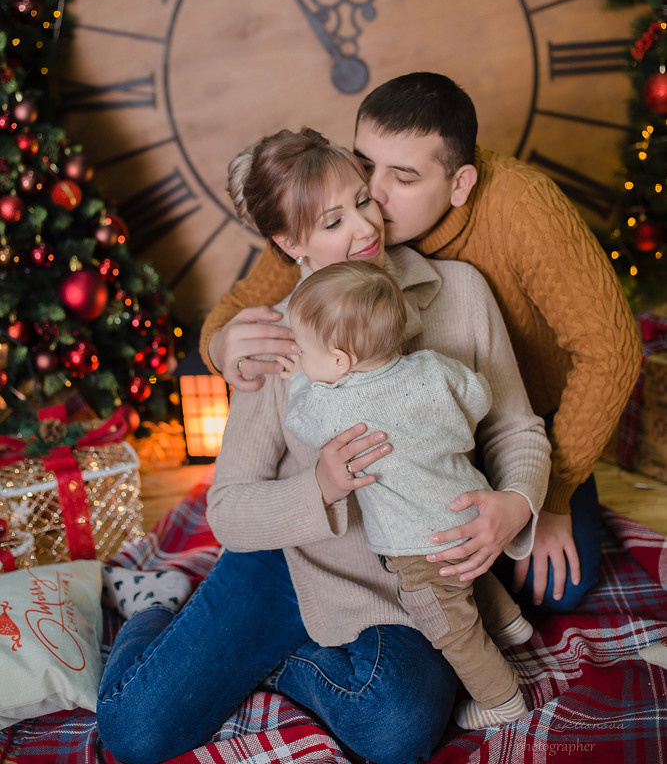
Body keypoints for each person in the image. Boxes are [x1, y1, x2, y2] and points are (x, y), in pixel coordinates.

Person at [98, 129, 551, 764]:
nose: (366, 228)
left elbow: (514, 427)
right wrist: (320, 490)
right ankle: (158, 609)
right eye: (334, 220)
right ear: (290, 243)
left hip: (406, 577)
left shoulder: (460, 293)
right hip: (284, 564)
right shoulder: (277, 339)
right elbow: (227, 508)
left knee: (397, 732)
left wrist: (515, 504)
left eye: (365, 201)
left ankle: (275, 663)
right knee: (133, 733)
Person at [201, 73, 642, 613]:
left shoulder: (520, 209)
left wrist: (543, 501)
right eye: (365, 169)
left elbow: (611, 353)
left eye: (403, 179)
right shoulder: (354, 229)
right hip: (429, 445)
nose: (375, 204)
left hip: (533, 416)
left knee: (553, 590)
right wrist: (219, 344)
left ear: (458, 185)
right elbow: (281, 273)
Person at [284, 259, 535, 730]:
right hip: (470, 505)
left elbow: (299, 419)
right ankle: (508, 624)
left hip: (417, 544)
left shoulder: (333, 404)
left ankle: (502, 701)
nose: (301, 358)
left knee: (450, 625)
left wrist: (298, 375)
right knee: (469, 573)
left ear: (339, 361)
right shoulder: (433, 366)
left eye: (304, 349)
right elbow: (478, 395)